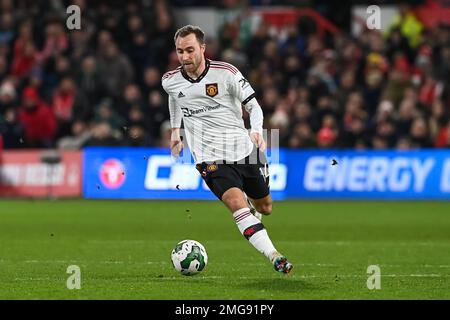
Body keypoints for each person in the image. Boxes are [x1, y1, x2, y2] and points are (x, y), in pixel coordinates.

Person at [161, 25, 293, 273]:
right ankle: (274, 255)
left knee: (265, 207)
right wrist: (175, 131)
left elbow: (254, 106)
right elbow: (175, 97)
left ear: (202, 48)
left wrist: (256, 129)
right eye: (180, 51)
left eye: (190, 50)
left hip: (243, 149)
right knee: (236, 203)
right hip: (209, 158)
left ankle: (259, 184)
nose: (185, 56)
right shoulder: (170, 81)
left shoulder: (226, 73)